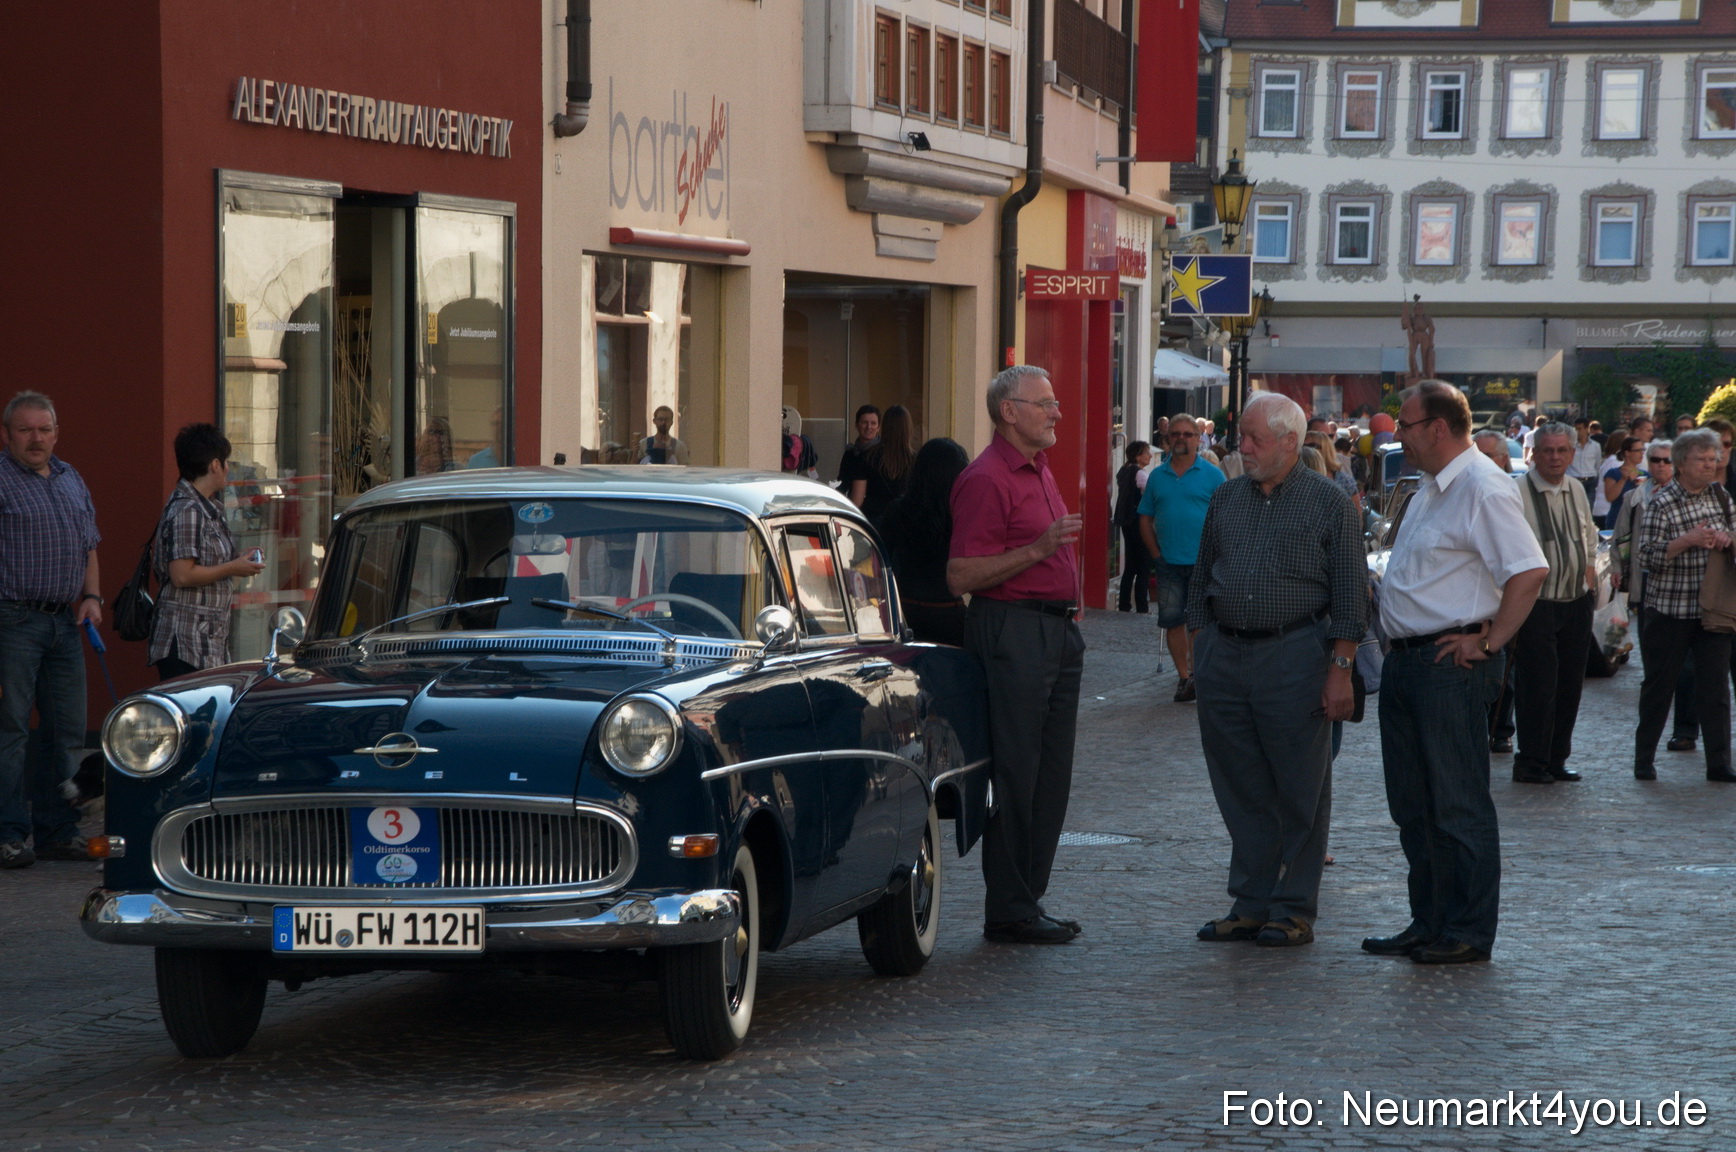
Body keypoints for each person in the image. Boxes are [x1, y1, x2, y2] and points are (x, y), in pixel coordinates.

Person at [1364, 380, 1546, 965]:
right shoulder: (1430, 489)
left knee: (1456, 802)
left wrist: (1489, 642)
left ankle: (1467, 929)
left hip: (1448, 666)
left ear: (1437, 428)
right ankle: (1431, 919)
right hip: (1408, 661)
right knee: (1413, 804)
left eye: (1406, 426)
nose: (1398, 436)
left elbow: (1528, 572)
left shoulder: (1482, 487)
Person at [1187, 393, 1365, 949]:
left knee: (1300, 787)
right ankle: (1251, 901)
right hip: (1225, 655)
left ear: (1291, 443)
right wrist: (1200, 645)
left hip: (1295, 655)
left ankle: (1292, 908)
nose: (1242, 448)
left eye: (1254, 439)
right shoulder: (1227, 497)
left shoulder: (1330, 503)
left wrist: (1340, 668)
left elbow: (1351, 597)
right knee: (1239, 784)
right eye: (1241, 437)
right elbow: (1200, 576)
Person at [948, 365, 1084, 946]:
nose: (1056, 412)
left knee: (1051, 775)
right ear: (1009, 411)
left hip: (1054, 632)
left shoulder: (1040, 468)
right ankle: (1009, 906)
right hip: (1013, 633)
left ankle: (1027, 899)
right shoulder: (986, 478)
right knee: (1018, 772)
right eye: (1044, 404)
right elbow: (960, 575)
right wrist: (1040, 548)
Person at [0, 391, 104, 868]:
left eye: (44, 429)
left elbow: (89, 547)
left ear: (56, 433)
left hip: (66, 620)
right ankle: (9, 834)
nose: (36, 438)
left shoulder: (70, 477)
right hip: (14, 619)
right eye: (26, 430)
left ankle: (58, 830)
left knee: (64, 732)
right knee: (12, 731)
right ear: (8, 435)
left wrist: (92, 597)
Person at [1633, 428, 1736, 782]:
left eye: (1714, 459)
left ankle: (1719, 763)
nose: (1711, 465)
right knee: (1659, 687)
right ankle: (1644, 759)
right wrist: (1686, 541)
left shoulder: (1721, 497)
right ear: (1681, 464)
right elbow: (1646, 557)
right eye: (1702, 459)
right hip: (1669, 611)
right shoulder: (1662, 502)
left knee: (1716, 689)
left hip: (1713, 611)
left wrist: (1727, 539)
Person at [1510, 423, 1600, 785]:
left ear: (1573, 453)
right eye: (1548, 450)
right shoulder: (1516, 491)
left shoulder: (1576, 487)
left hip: (1575, 601)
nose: (1555, 457)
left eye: (1562, 450)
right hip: (1536, 604)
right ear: (1533, 453)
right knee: (1537, 686)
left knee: (1569, 686)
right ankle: (1531, 760)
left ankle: (1557, 758)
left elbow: (1589, 537)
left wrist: (1589, 579)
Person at [148, 424, 266, 680]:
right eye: (226, 462)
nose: (227, 469)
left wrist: (238, 561)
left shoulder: (205, 507)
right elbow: (182, 575)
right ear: (214, 465)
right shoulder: (188, 509)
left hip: (205, 642)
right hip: (187, 642)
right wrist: (233, 568)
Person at [1610, 442, 1697, 753]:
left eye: (1666, 460)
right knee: (1655, 666)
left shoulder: (1689, 496)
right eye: (1655, 460)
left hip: (1685, 589)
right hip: (1646, 588)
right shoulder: (1636, 497)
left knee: (1687, 667)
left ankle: (1685, 729)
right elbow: (1621, 535)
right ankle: (1647, 748)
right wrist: (1619, 567)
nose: (1661, 466)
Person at [1136, 415, 1226, 703]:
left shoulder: (1213, 475)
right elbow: (1145, 518)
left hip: (1204, 564)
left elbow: (1227, 517)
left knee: (1200, 623)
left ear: (1199, 439)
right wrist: (1156, 555)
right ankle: (1184, 677)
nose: (1181, 438)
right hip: (1169, 562)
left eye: (1188, 434)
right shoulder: (1157, 477)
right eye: (1176, 434)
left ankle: (1200, 675)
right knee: (1173, 621)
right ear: (1168, 438)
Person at [880, 438, 970, 646]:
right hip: (949, 610)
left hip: (906, 612)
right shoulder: (959, 514)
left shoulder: (897, 510)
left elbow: (881, 561)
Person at [1472, 429, 1519, 754]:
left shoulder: (1509, 490)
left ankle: (1501, 729)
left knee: (1506, 670)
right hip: (1478, 599)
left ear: (1503, 459)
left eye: (1489, 456)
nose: (1483, 462)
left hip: (1508, 596)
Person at [842, 404, 914, 526]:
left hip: (874, 522)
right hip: (905, 522)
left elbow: (857, 500)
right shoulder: (915, 460)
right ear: (908, 428)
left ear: (884, 427)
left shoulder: (868, 456)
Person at [1114, 440, 1153, 613]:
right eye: (1147, 452)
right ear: (1138, 455)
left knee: (1130, 565)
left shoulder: (1124, 471)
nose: (1150, 455)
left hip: (1126, 521)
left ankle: (1124, 604)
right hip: (1139, 521)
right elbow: (1151, 495)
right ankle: (1142, 606)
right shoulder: (1140, 474)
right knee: (1143, 564)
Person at [1601, 437, 1646, 529]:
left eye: (1643, 450)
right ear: (1627, 453)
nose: (1641, 453)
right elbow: (1609, 497)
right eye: (1637, 450)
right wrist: (1623, 480)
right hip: (1617, 520)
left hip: (1639, 521)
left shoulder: (1645, 474)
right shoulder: (1614, 473)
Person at [835, 404, 881, 486]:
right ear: (856, 425)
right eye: (864, 422)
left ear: (878, 427)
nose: (869, 427)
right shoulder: (850, 454)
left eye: (873, 423)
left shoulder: (884, 454)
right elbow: (841, 483)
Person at [1567, 418, 1604, 501]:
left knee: (1588, 509)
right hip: (1573, 479)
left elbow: (1597, 464)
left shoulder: (1595, 446)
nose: (1577, 431)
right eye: (1575, 429)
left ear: (1587, 429)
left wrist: (1595, 478)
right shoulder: (1570, 446)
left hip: (1590, 481)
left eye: (1579, 429)